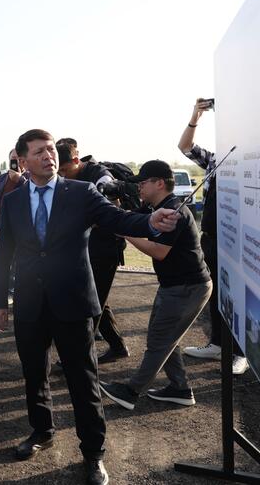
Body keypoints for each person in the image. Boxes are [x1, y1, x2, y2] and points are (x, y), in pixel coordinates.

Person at [0, 129, 180, 485]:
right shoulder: (13, 201)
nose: (49, 155)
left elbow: (117, 218)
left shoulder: (80, 192)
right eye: (39, 151)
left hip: (74, 304)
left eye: (51, 149)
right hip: (30, 304)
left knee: (83, 380)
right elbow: (3, 253)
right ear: (22, 160)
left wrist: (150, 221)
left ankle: (93, 453)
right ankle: (42, 431)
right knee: (35, 373)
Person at [100, 160, 211, 410]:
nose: (139, 187)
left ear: (159, 183)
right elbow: (128, 218)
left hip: (187, 287)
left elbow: (160, 251)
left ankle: (131, 391)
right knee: (165, 337)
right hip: (175, 285)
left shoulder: (174, 212)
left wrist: (126, 234)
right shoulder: (156, 208)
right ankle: (180, 388)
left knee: (160, 340)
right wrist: (114, 207)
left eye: (143, 182)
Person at [178, 99, 248, 375]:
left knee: (239, 295)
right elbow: (185, 147)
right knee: (217, 293)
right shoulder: (217, 157)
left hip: (240, 239)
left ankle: (241, 353)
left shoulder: (249, 154)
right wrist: (195, 116)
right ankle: (219, 344)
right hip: (212, 237)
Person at [57, 143, 129, 364]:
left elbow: (114, 212)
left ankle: (79, 359)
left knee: (91, 302)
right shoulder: (74, 176)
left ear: (76, 161)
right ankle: (117, 346)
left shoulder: (101, 177)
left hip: (105, 248)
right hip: (89, 246)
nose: (62, 175)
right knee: (97, 299)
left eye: (64, 170)